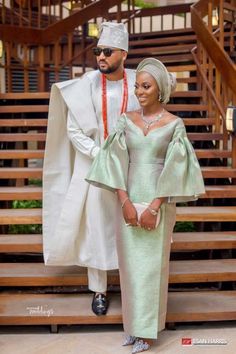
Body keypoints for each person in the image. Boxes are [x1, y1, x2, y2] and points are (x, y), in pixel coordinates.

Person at [86, 58, 205, 352]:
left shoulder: (175, 125)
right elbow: (114, 161)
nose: (139, 91)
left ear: (160, 89)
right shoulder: (125, 120)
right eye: (137, 85)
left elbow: (176, 169)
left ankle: (148, 332)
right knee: (129, 268)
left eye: (146, 86)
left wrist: (154, 208)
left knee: (151, 268)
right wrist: (124, 201)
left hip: (158, 203)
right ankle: (133, 328)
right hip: (127, 200)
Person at [42, 22, 139, 316]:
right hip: (96, 166)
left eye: (107, 52)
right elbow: (74, 131)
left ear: (123, 53)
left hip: (132, 165)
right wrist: (100, 154)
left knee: (129, 227)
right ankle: (99, 290)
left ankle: (133, 286)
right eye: (97, 51)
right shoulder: (85, 85)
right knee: (96, 227)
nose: (100, 57)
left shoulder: (138, 83)